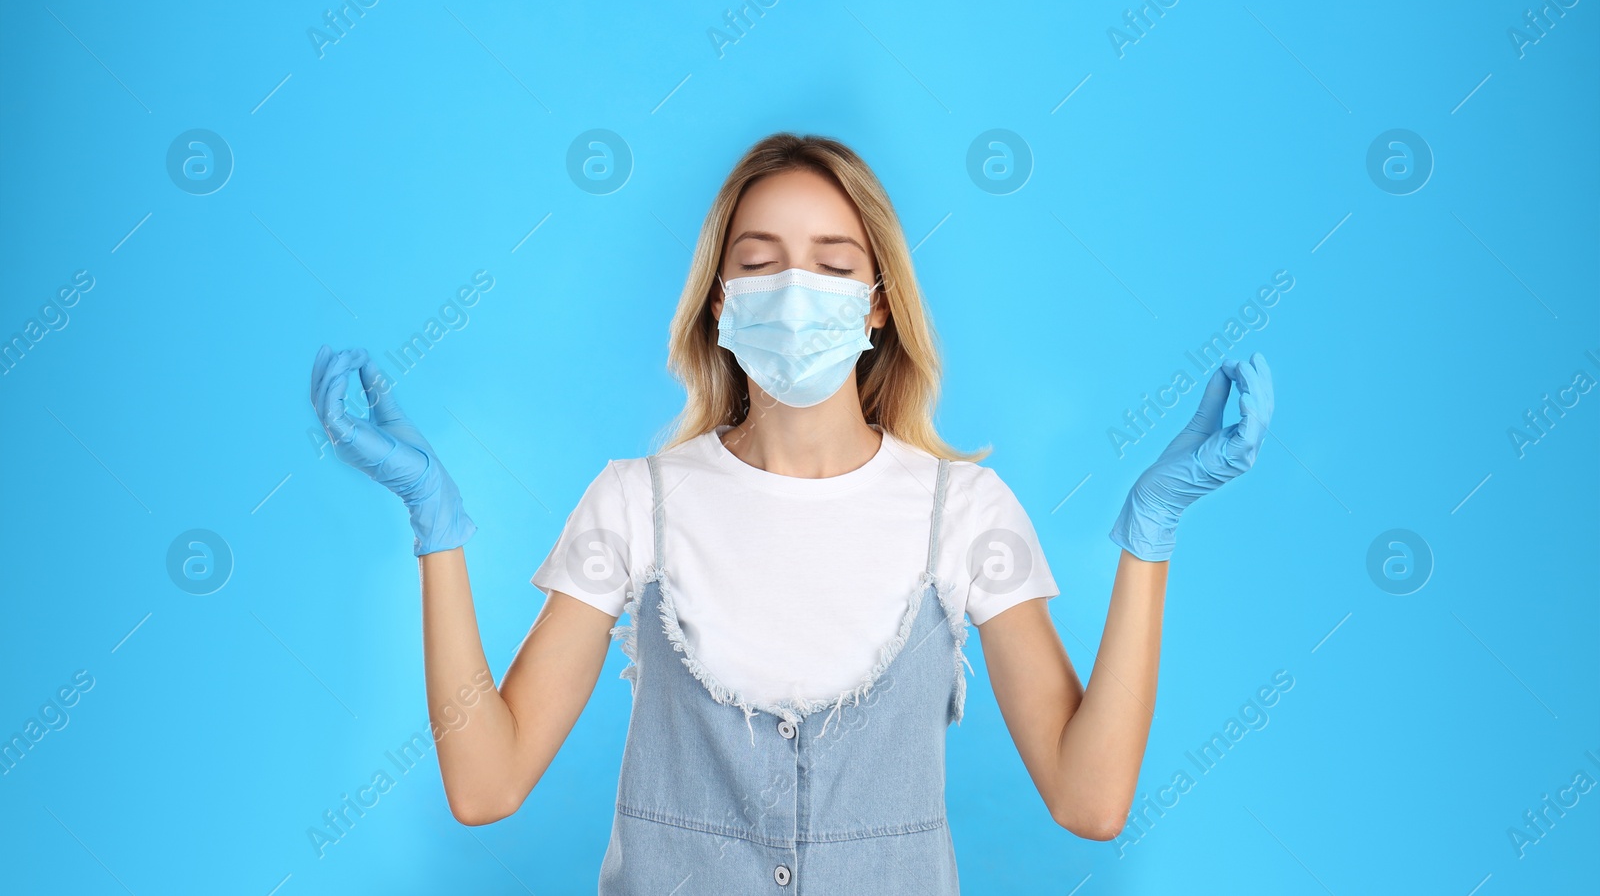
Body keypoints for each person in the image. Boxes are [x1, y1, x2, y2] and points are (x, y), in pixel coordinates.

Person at [308, 132, 1275, 893]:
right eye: (760, 261)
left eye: (830, 260)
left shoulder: (964, 513)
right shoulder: (636, 503)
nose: (793, 287)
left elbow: (1090, 797)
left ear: (878, 304)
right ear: (721, 301)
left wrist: (1152, 532)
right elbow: (487, 782)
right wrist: (435, 524)